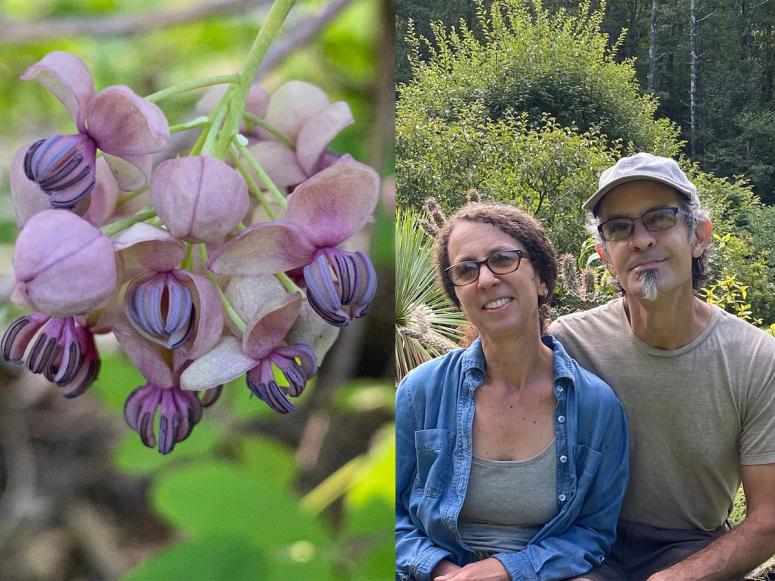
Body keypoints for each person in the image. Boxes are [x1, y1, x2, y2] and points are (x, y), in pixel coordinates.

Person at [550, 152, 775, 580]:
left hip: (689, 545)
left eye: (659, 219)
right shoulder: (568, 344)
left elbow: (768, 521)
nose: (640, 241)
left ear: (698, 236)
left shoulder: (756, 360)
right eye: (619, 228)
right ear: (604, 253)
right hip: (584, 544)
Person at [395, 202, 629, 581]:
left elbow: (592, 532)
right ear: (458, 296)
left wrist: (508, 570)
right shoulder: (419, 392)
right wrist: (439, 569)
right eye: (466, 270)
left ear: (540, 279)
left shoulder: (597, 407)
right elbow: (388, 514)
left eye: (503, 259)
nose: (485, 279)